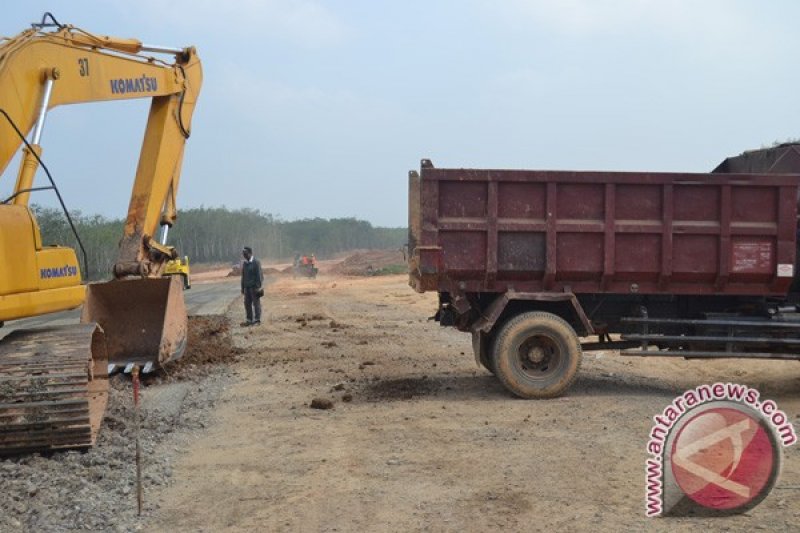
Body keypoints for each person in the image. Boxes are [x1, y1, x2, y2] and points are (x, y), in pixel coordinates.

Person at [240, 246, 263, 326]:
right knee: (247, 304)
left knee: (256, 304)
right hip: (247, 288)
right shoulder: (245, 263)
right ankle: (249, 320)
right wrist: (242, 288)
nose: (244, 255)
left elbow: (259, 276)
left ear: (250, 253)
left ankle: (257, 320)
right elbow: (243, 276)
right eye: (243, 254)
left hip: (254, 287)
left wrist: (258, 287)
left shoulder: (256, 262)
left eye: (245, 253)